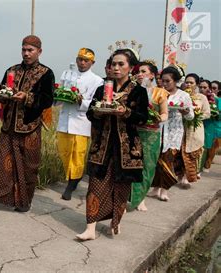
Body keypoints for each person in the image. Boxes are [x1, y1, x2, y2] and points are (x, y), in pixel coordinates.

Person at [0, 35, 54, 213]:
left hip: (29, 126)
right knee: (2, 163)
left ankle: (24, 202)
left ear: (39, 52)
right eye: (24, 50)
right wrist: (2, 95)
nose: (26, 53)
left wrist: (27, 97)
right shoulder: (12, 70)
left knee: (29, 166)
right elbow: (2, 90)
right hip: (9, 126)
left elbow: (47, 100)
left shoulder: (46, 73)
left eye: (30, 50)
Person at [77, 49, 148, 241]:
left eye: (121, 64)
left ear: (130, 68)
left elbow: (143, 118)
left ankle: (114, 222)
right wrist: (100, 111)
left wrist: (124, 111)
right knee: (95, 185)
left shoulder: (139, 92)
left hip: (127, 148)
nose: (116, 68)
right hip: (102, 146)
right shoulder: (102, 88)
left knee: (121, 188)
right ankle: (90, 228)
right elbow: (91, 113)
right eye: (113, 64)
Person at [56, 48, 104, 200]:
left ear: (92, 63)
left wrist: (80, 100)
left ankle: (72, 184)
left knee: (77, 154)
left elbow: (94, 103)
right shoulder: (67, 74)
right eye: (80, 59)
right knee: (64, 152)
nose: (82, 63)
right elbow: (58, 95)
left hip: (81, 122)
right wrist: (57, 94)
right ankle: (73, 178)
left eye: (86, 60)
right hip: (65, 120)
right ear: (76, 60)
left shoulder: (97, 81)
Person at [129, 61, 168, 211]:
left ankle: (140, 197)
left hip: (151, 133)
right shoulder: (132, 90)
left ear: (152, 75)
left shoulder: (159, 92)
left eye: (143, 71)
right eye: (138, 71)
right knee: (132, 165)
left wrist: (160, 118)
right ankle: (129, 196)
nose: (140, 74)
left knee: (148, 166)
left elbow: (165, 113)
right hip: (134, 131)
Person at [151, 66, 194, 201]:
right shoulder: (157, 93)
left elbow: (191, 116)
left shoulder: (184, 95)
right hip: (158, 130)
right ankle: (156, 188)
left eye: (167, 81)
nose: (164, 84)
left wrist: (185, 112)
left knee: (168, 160)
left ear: (175, 81)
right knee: (157, 160)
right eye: (162, 81)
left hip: (173, 133)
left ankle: (165, 190)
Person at [174, 74, 210, 186]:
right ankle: (179, 176)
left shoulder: (202, 98)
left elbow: (207, 113)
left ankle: (186, 177)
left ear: (197, 84)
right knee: (178, 153)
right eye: (187, 82)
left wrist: (196, 116)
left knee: (191, 153)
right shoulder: (180, 95)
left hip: (194, 129)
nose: (188, 84)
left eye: (191, 83)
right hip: (180, 128)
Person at [203, 80, 220, 171]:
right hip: (205, 123)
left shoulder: (218, 100)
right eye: (211, 88)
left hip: (215, 126)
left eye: (215, 88)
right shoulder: (203, 98)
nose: (212, 90)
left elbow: (218, 115)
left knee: (212, 146)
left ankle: (208, 162)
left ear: (218, 90)